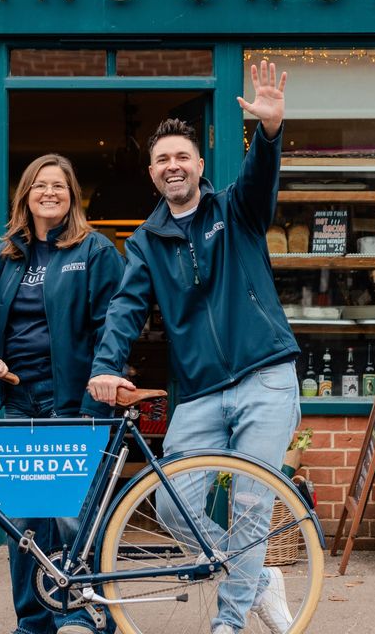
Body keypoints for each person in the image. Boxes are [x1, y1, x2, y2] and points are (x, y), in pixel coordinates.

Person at [86, 61, 301, 634]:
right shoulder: (146, 244)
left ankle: (228, 624)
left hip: (264, 376)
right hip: (201, 390)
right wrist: (106, 367)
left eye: (182, 156)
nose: (173, 165)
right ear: (152, 173)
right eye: (162, 159)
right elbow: (125, 311)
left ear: (199, 166)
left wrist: (270, 130)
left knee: (251, 505)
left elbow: (261, 176)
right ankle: (257, 581)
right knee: (170, 503)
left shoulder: (236, 211)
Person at [0, 154, 124, 634]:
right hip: (18, 402)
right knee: (24, 523)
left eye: (60, 185)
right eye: (40, 185)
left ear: (72, 196)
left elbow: (112, 326)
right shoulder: (9, 253)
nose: (50, 192)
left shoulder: (94, 251)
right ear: (25, 195)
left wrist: (97, 398)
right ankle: (33, 621)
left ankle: (88, 617)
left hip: (70, 400)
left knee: (73, 520)